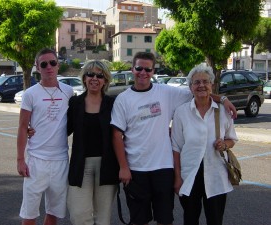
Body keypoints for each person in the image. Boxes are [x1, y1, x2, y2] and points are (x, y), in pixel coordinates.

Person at [110, 52, 237, 225]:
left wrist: (223, 99)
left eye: (148, 69)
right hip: (136, 169)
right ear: (132, 69)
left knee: (165, 219)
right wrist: (123, 167)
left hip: (163, 168)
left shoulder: (166, 92)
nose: (143, 72)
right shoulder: (123, 99)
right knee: (139, 219)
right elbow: (116, 135)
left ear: (153, 71)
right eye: (139, 68)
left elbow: (200, 92)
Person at [172, 64, 238, 225]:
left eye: (205, 81)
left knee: (215, 220)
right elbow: (176, 148)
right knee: (190, 219)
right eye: (196, 82)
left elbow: (232, 139)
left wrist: (225, 145)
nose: (201, 85)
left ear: (211, 85)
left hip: (216, 176)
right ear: (190, 87)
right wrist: (177, 178)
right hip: (190, 176)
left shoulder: (222, 111)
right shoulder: (181, 112)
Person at [17, 48, 73, 225]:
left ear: (58, 65)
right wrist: (20, 159)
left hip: (61, 161)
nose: (49, 67)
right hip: (36, 161)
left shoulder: (69, 92)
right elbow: (22, 127)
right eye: (44, 64)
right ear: (37, 67)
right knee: (29, 214)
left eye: (52, 63)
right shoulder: (30, 94)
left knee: (53, 213)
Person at [66, 60, 119, 225]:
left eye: (99, 75)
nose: (94, 78)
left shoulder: (113, 104)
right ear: (84, 78)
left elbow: (126, 131)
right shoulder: (75, 103)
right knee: (79, 215)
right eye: (90, 74)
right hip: (81, 165)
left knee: (102, 218)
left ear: (105, 80)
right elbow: (62, 130)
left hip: (107, 165)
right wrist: (33, 130)